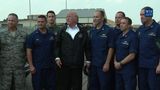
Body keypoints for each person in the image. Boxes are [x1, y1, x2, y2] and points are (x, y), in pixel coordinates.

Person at [55, 11, 90, 90]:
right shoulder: (62, 31)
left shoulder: (83, 31)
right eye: (67, 17)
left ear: (76, 19)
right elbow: (57, 45)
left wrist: (88, 60)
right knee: (64, 86)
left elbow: (87, 47)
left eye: (69, 16)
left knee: (77, 86)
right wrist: (57, 57)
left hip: (77, 65)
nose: (67, 18)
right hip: (64, 65)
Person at [26, 15, 56, 90]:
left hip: (50, 67)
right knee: (38, 87)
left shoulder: (51, 34)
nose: (40, 23)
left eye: (42, 22)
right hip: (37, 68)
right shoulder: (32, 36)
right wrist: (31, 66)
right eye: (38, 22)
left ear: (46, 22)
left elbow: (55, 49)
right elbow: (28, 51)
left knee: (51, 87)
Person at [88, 9, 114, 90]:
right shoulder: (92, 31)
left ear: (102, 18)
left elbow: (111, 48)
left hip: (103, 65)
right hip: (93, 65)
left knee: (104, 86)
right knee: (93, 86)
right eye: (94, 17)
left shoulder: (109, 30)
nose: (94, 19)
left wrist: (107, 63)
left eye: (97, 17)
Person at [0, 13, 27, 90]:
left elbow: (27, 51)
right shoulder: (1, 35)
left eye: (12, 20)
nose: (10, 22)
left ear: (17, 22)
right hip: (5, 69)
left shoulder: (24, 35)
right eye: (9, 20)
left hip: (19, 69)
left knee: (20, 87)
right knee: (5, 88)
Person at [137, 6, 160, 90]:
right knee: (142, 87)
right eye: (140, 14)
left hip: (153, 66)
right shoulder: (140, 29)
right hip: (141, 66)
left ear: (150, 15)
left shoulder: (158, 28)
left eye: (143, 14)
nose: (141, 17)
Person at [114, 17, 138, 90]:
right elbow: (116, 51)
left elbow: (132, 55)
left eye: (124, 23)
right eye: (121, 23)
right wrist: (114, 62)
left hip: (128, 70)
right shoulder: (119, 36)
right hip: (118, 69)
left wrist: (120, 64)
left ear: (129, 25)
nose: (121, 25)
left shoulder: (133, 36)